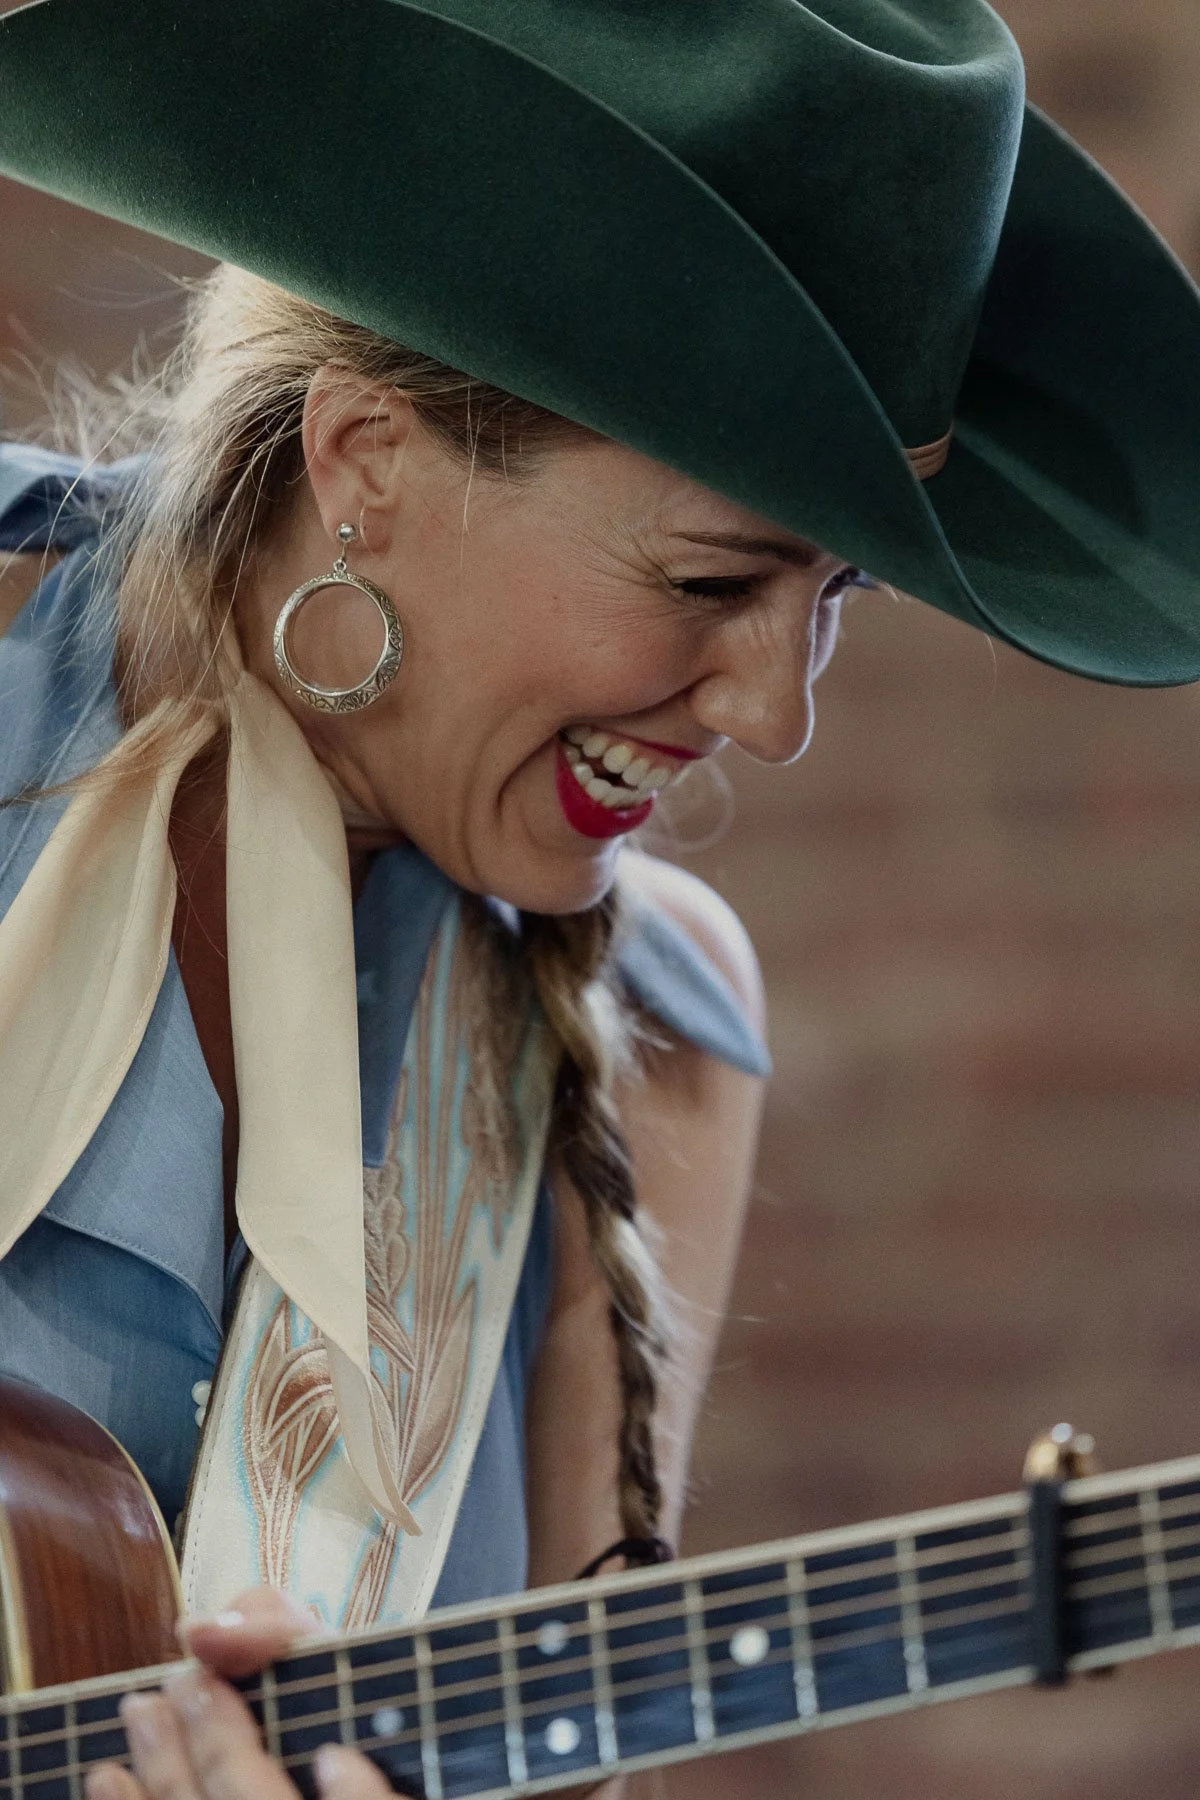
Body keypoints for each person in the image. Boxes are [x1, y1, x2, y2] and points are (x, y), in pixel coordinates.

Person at [1, 2, 1199, 1798]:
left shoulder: (658, 1049)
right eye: (715, 578)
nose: (775, 716)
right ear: (368, 463)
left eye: (838, 594)